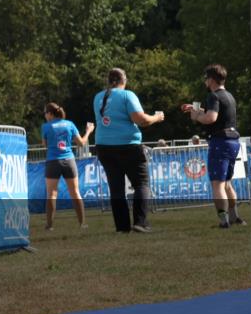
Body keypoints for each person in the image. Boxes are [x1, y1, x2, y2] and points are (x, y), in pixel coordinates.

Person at [92, 68, 164, 234]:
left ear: (109, 81)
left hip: (104, 147)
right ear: (124, 80)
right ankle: (140, 222)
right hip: (128, 145)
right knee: (141, 184)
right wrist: (156, 117)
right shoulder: (127, 95)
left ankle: (122, 227)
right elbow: (141, 120)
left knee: (116, 188)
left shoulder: (98, 97)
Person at [182, 64, 245, 228]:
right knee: (227, 183)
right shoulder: (229, 96)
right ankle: (235, 217)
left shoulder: (213, 96)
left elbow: (211, 118)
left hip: (220, 142)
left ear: (210, 80)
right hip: (233, 141)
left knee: (217, 184)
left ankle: (223, 222)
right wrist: (198, 109)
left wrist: (196, 116)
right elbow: (218, 113)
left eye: (205, 78)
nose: (205, 82)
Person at [40, 102, 93, 231]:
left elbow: (44, 145)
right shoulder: (70, 124)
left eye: (45, 113)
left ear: (50, 114)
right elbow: (81, 143)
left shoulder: (46, 127)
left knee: (52, 194)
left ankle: (50, 226)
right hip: (69, 160)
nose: (45, 116)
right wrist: (88, 131)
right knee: (75, 192)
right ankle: (82, 224)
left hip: (53, 161)